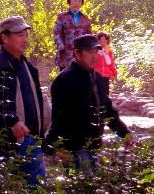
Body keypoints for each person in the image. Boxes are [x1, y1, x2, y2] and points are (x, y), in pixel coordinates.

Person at [47, 33, 132, 174]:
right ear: (77, 53)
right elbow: (58, 117)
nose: (94, 56)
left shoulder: (97, 77)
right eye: (89, 52)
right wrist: (54, 146)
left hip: (94, 145)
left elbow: (107, 110)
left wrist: (125, 133)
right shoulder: (64, 80)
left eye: (96, 51)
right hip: (73, 147)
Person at [0, 16, 46, 188]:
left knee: (37, 188)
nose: (25, 40)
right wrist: (12, 121)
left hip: (30, 139)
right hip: (1, 142)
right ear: (4, 37)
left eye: (26, 35)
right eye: (19, 35)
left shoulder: (28, 67)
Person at [53, 0, 93, 71]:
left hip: (81, 54)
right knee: (65, 80)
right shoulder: (62, 16)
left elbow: (89, 35)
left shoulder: (85, 18)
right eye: (75, 1)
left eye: (79, 1)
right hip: (65, 53)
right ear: (69, 2)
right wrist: (60, 45)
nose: (77, 3)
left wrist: (90, 48)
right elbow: (56, 32)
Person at [95, 31, 118, 99]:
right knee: (98, 93)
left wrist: (114, 73)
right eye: (100, 41)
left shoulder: (109, 51)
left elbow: (111, 63)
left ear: (107, 41)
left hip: (106, 75)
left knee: (106, 93)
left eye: (104, 41)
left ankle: (105, 108)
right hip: (96, 75)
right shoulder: (94, 51)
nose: (102, 43)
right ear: (97, 41)